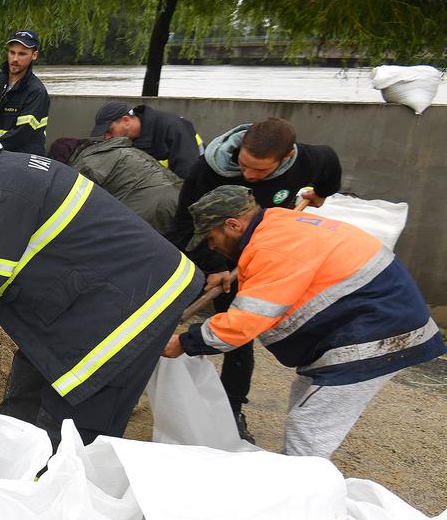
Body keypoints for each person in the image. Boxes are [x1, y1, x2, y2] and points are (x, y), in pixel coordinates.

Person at [0, 110, 202, 446]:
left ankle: (63, 487)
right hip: (93, 298)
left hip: (127, 310)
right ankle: (18, 469)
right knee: (25, 397)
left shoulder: (0, 191)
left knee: (75, 434)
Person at [165, 186, 443, 458]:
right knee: (304, 395)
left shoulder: (272, 247)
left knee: (309, 428)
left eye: (212, 237)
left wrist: (186, 342)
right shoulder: (278, 223)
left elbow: (245, 321)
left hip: (376, 334)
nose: (211, 246)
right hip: (375, 319)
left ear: (234, 225)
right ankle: (297, 479)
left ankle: (303, 492)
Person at [168, 116, 344, 441]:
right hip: (208, 248)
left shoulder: (307, 159)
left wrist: (321, 193)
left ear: (287, 157)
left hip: (260, 256)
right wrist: (214, 265)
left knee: (238, 333)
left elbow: (329, 164)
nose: (248, 176)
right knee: (164, 308)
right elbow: (183, 226)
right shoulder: (208, 170)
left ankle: (231, 409)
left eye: (259, 172)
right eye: (244, 165)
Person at [47, 135, 180, 232]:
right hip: (178, 195)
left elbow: (77, 210)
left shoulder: (84, 165)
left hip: (149, 210)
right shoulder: (116, 149)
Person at [91, 100, 202, 178]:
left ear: (126, 121)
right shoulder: (127, 139)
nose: (107, 137)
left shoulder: (173, 127)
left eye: (109, 131)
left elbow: (188, 175)